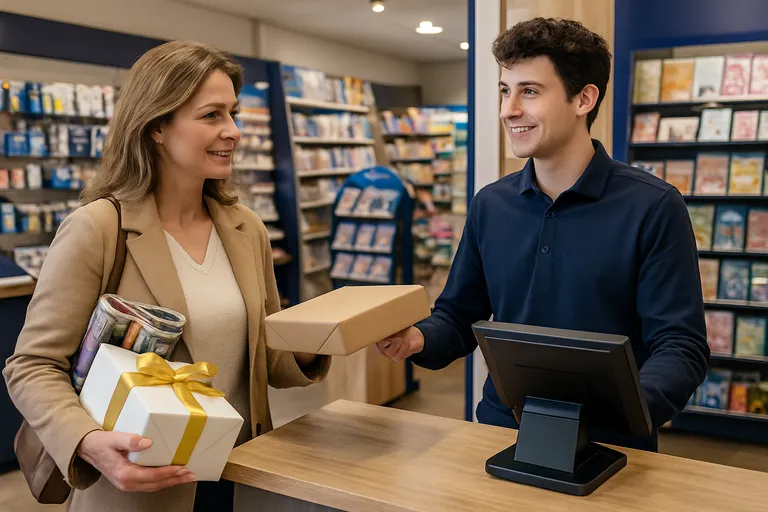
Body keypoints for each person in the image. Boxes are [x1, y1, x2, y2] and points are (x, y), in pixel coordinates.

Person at [3, 40, 330, 511]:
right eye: (212, 115)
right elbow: (32, 366)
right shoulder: (98, 228)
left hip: (240, 477)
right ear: (157, 125)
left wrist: (325, 334)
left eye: (233, 114)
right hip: (138, 486)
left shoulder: (245, 229)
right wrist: (90, 441)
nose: (233, 131)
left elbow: (264, 359)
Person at [377, 18, 709, 451]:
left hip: (610, 446)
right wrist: (416, 338)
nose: (508, 109)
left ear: (584, 98)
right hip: (500, 434)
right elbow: (458, 316)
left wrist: (626, 412)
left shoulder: (653, 206)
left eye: (529, 91)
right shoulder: (490, 205)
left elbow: (680, 345)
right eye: (504, 90)